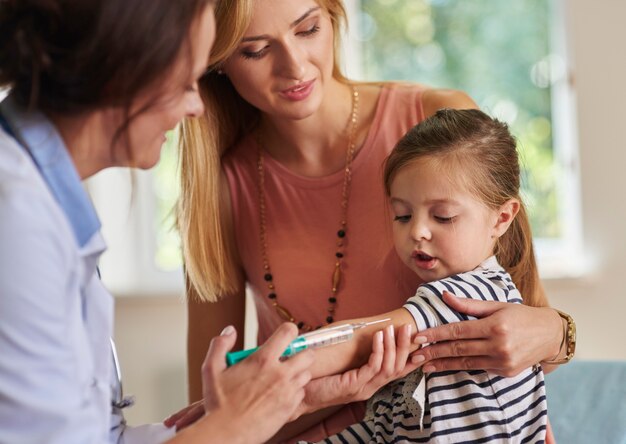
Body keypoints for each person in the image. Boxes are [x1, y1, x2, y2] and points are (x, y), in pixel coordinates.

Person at [178, 0, 573, 441]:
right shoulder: (219, 186)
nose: (294, 66)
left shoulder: (438, 131)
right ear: (214, 62)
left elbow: (532, 337)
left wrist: (560, 333)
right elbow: (214, 407)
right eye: (254, 50)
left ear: (332, 17)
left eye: (307, 29)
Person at [0, 1, 316, 443]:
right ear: (120, 72)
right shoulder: (16, 221)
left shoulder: (42, 198)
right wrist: (234, 428)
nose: (196, 107)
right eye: (186, 82)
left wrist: (221, 420)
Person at [306, 108, 550, 443]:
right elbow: (388, 429)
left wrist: (275, 362)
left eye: (443, 216)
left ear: (501, 218)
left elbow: (359, 340)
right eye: (403, 215)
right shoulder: (447, 311)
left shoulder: (467, 296)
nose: (418, 231)